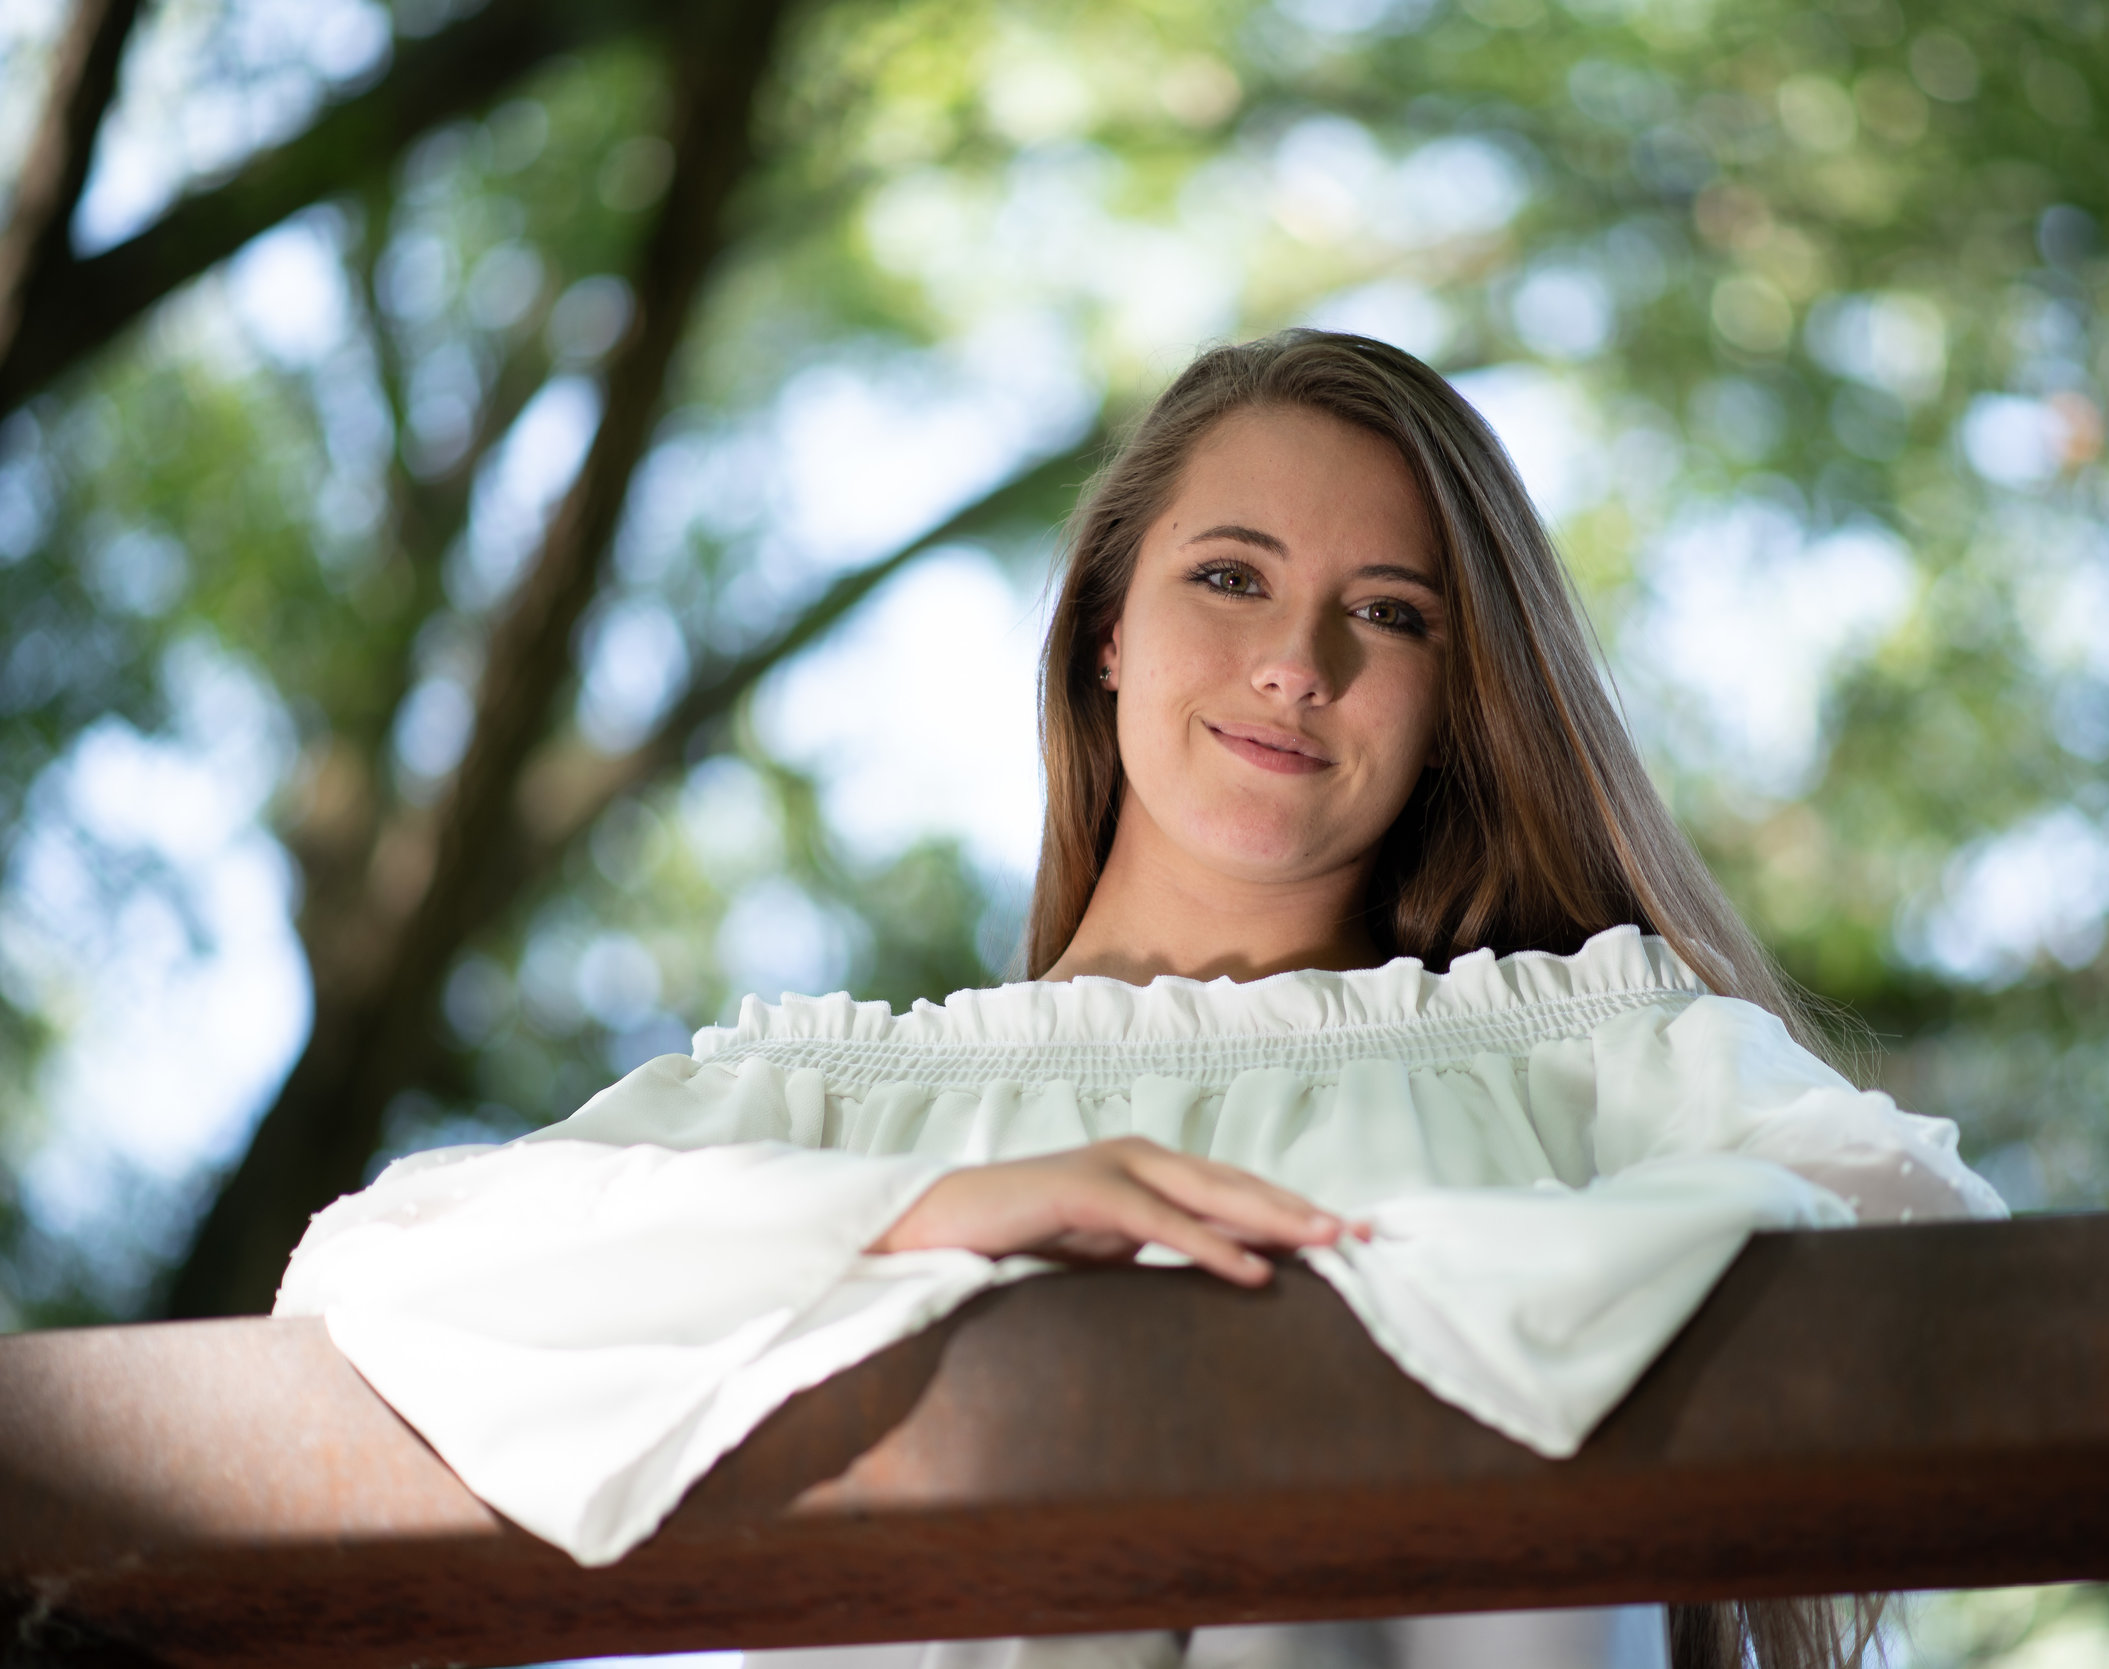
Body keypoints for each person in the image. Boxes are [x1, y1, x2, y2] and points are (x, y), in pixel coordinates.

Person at [275, 331, 2001, 1669]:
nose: (1293, 664)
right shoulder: (838, 1108)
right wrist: (923, 1218)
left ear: (1456, 697)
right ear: (1106, 625)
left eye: (1385, 615)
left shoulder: (1595, 1060)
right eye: (1230, 575)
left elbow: (1937, 1253)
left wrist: (1382, 1277)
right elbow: (373, 1273)